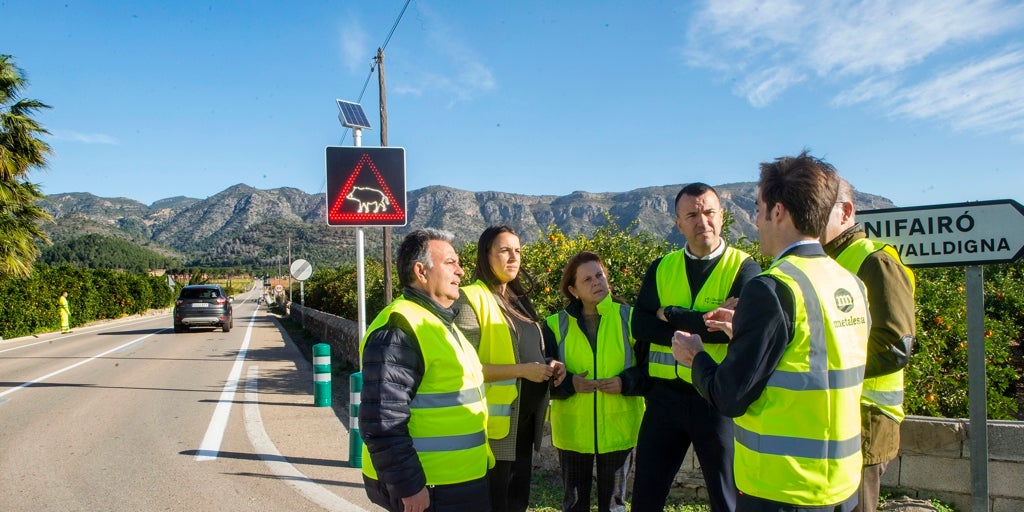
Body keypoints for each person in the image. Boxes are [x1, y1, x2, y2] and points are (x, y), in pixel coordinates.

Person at [672, 151, 871, 511]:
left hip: (782, 487)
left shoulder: (772, 288)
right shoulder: (851, 282)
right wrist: (747, 334)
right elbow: (814, 356)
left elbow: (730, 396)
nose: (756, 220)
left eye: (758, 208)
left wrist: (695, 356)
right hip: (841, 484)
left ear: (777, 211)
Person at [630, 182, 761, 512]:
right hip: (663, 400)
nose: (702, 221)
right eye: (692, 214)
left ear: (723, 217)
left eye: (709, 212)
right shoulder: (662, 267)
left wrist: (670, 314)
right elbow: (640, 325)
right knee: (646, 494)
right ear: (678, 224)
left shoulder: (746, 269)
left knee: (726, 497)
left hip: (713, 398)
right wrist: (704, 322)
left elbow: (733, 329)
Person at [359, 228, 492, 512]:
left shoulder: (441, 322)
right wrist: (410, 487)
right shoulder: (401, 327)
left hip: (459, 479)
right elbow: (382, 419)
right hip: (430, 486)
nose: (461, 271)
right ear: (421, 271)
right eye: (450, 263)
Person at [455, 225, 565, 512]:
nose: (513, 257)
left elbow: (536, 353)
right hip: (495, 427)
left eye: (517, 250)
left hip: (524, 425)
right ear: (485, 256)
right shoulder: (471, 298)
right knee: (497, 502)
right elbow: (465, 367)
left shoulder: (520, 302)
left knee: (517, 500)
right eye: (504, 250)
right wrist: (522, 371)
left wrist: (550, 365)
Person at [823, 178, 916, 512]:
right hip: (838, 411)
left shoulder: (874, 261)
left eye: (819, 210)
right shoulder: (828, 261)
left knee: (859, 505)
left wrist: (826, 369)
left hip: (868, 417)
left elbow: (896, 344)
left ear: (846, 212)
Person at [543, 251, 645, 512]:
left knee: (614, 506)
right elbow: (543, 376)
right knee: (575, 504)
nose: (596, 282)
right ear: (573, 289)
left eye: (599, 275)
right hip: (573, 432)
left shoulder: (630, 319)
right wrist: (570, 385)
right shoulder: (555, 325)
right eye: (587, 279)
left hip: (619, 427)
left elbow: (648, 369)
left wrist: (625, 382)